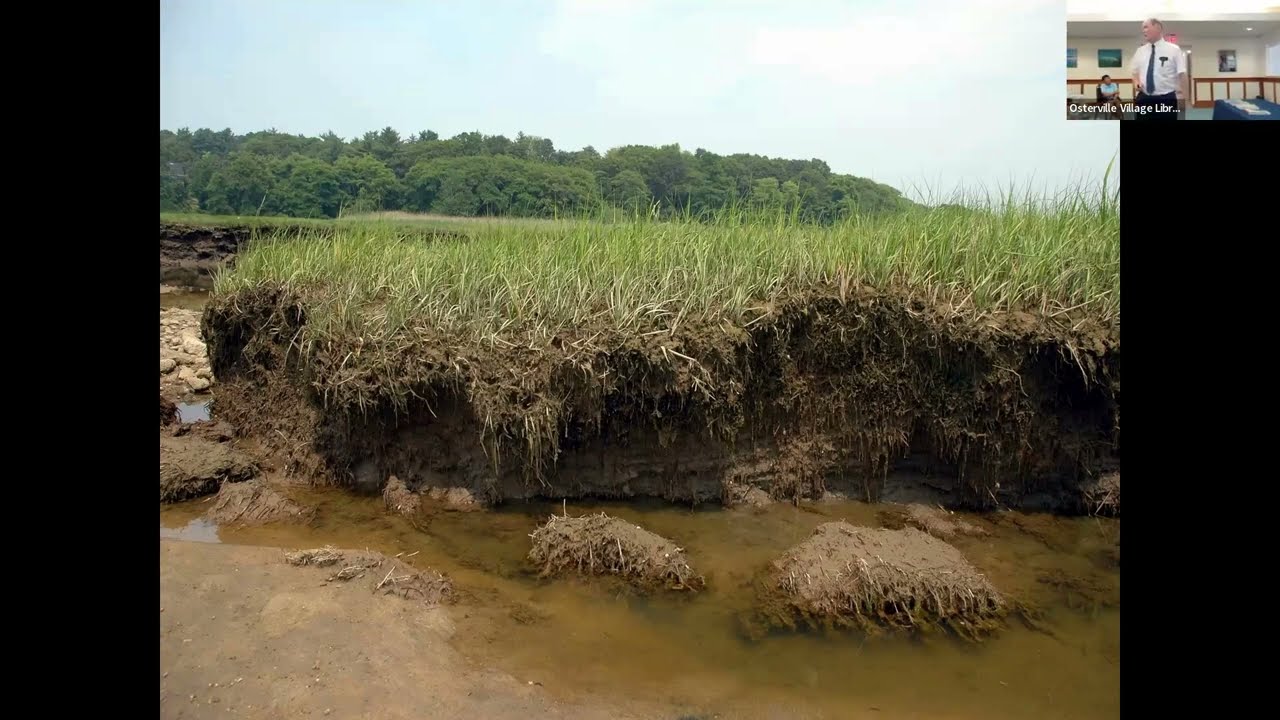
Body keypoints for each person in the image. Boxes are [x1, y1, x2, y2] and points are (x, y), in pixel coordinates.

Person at [1130, 18, 1186, 121]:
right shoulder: (1140, 51)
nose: (1143, 30)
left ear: (1158, 28)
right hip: (1144, 98)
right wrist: (1136, 82)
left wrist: (1183, 98)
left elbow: (1182, 74)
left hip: (1166, 99)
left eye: (1146, 27)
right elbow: (1134, 72)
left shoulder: (1174, 50)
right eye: (1143, 28)